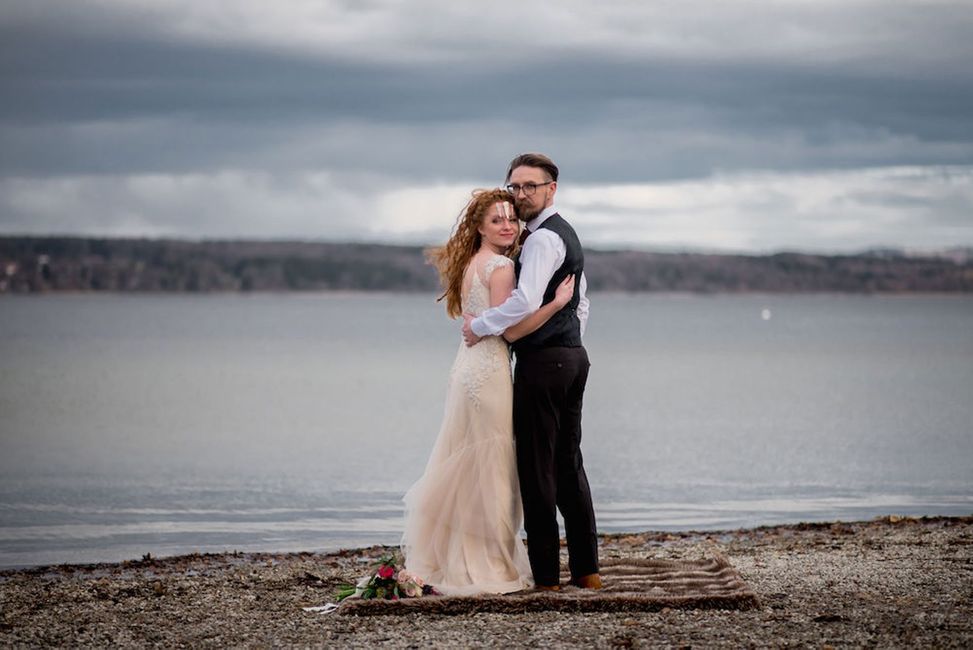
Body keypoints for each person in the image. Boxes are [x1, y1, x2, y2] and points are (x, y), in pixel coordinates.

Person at [401, 188, 576, 596]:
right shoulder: (500, 267)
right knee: (491, 466)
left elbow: (485, 322)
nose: (507, 226)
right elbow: (510, 329)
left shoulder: (471, 263)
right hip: (489, 372)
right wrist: (555, 304)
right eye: (497, 219)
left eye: (511, 219)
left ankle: (453, 555)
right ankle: (485, 563)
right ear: (479, 226)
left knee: (467, 458)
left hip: (465, 369)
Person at [462, 153, 600, 591]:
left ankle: (545, 577)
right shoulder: (566, 234)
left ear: (551, 189)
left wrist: (480, 327)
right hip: (573, 357)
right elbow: (582, 302)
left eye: (530, 187)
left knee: (537, 468)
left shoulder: (542, 240)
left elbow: (523, 302)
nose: (522, 194)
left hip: (545, 363)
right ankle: (586, 570)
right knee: (567, 465)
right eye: (515, 186)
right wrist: (569, 337)